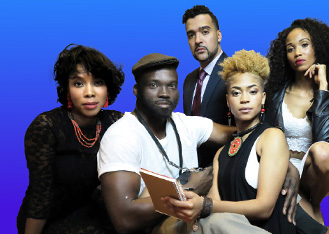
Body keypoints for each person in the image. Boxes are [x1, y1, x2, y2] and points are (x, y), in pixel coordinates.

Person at [97, 53, 236, 234]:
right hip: (153, 229)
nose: (164, 93)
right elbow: (125, 218)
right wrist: (188, 188)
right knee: (220, 223)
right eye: (153, 85)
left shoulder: (185, 124)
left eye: (171, 85)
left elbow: (241, 134)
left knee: (231, 218)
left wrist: (281, 153)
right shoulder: (121, 136)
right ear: (136, 90)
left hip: (190, 219)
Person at [161, 50, 297, 234]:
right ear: (228, 100)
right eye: (236, 92)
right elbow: (213, 206)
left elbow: (264, 208)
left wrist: (205, 205)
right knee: (179, 225)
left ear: (263, 98)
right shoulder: (220, 155)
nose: (245, 99)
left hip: (270, 230)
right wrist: (190, 203)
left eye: (253, 91)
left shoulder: (271, 137)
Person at [17, 44, 125, 234]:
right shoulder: (47, 126)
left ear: (108, 88)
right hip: (52, 217)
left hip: (95, 213)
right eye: (78, 83)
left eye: (98, 82)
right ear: (67, 88)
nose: (89, 92)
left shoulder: (117, 122)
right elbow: (40, 194)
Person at [265, 18, 329, 225]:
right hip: (280, 166)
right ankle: (310, 212)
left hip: (314, 172)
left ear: (318, 47)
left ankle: (312, 204)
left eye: (304, 45)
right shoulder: (274, 94)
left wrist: (322, 89)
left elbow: (324, 139)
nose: (297, 52)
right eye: (290, 49)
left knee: (323, 151)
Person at [182, 5, 232, 167]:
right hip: (193, 170)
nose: (198, 40)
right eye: (191, 35)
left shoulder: (236, 72)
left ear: (218, 35)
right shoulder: (189, 80)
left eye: (204, 32)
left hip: (227, 169)